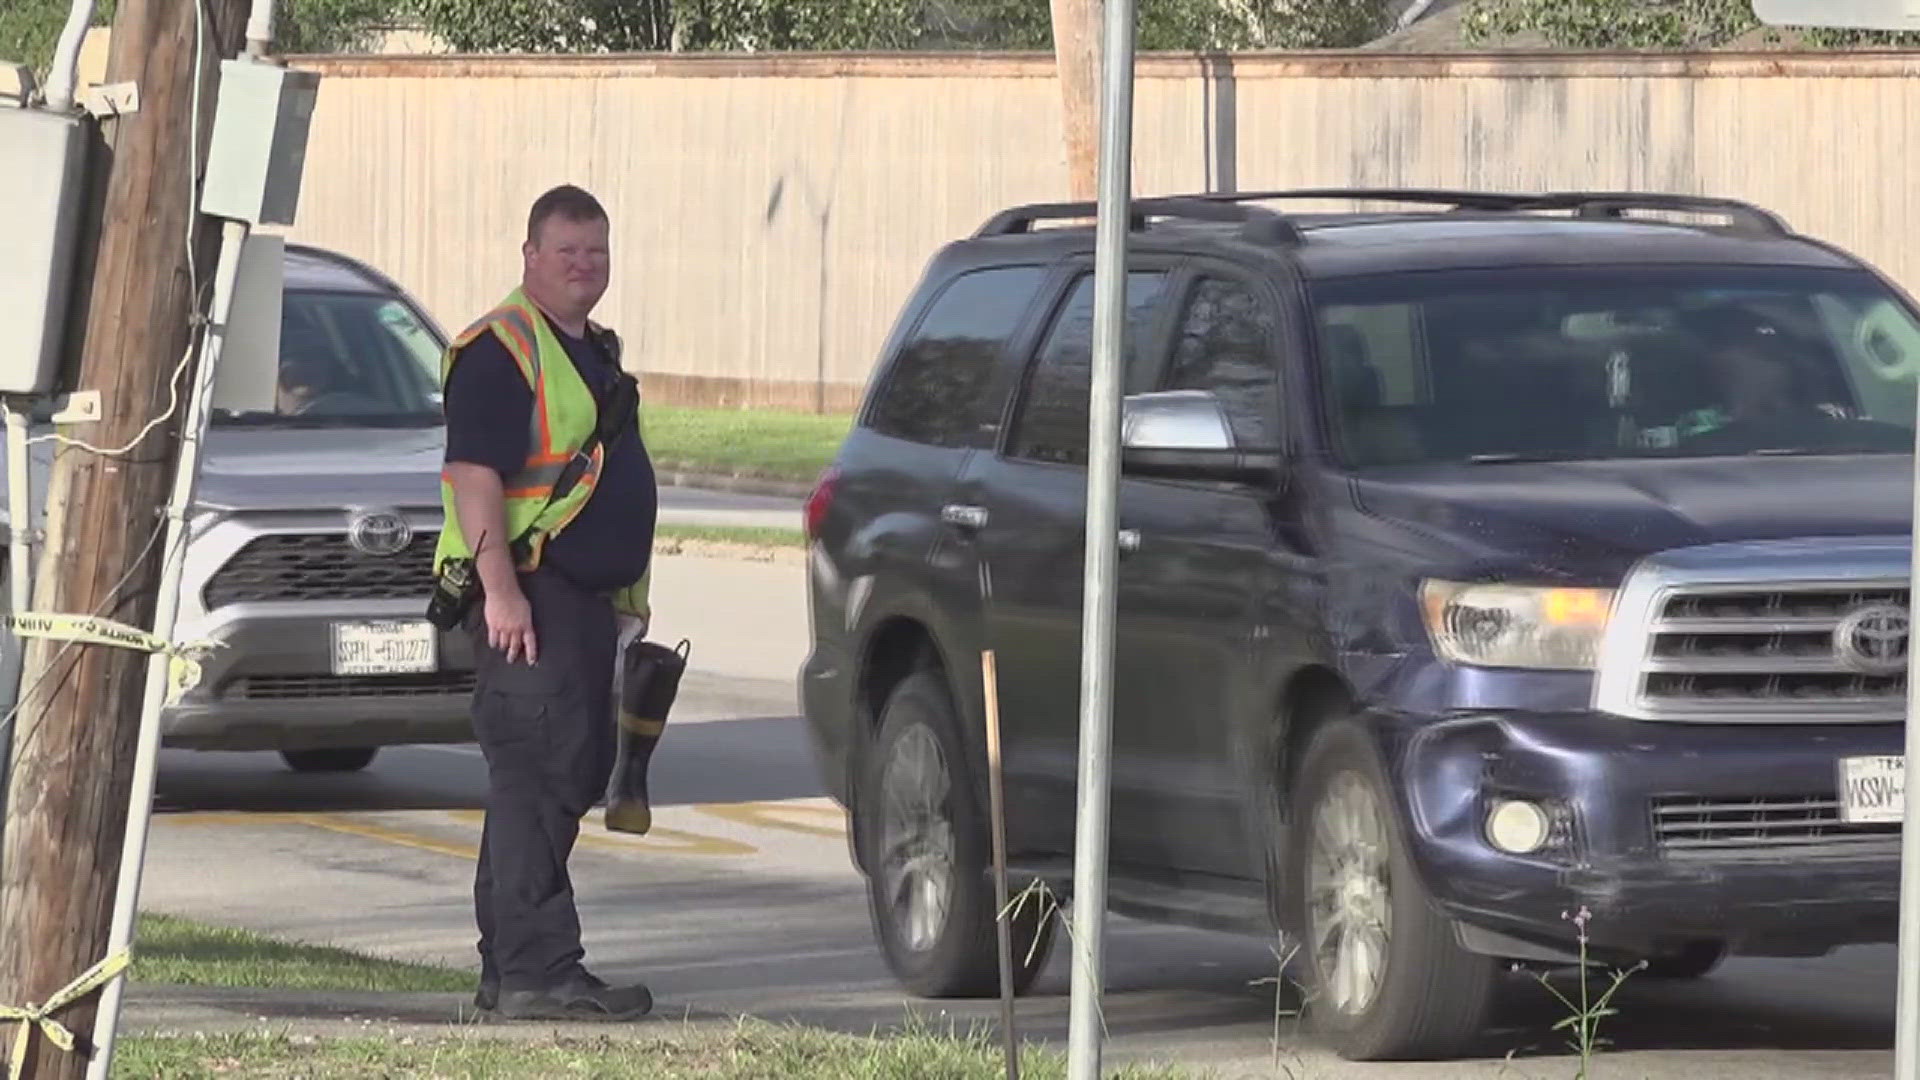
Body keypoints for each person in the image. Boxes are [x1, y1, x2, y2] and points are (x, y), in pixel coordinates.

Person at [434, 184, 658, 1021]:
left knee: (552, 775)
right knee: (539, 776)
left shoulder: (592, 350)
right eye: (566, 250)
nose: (583, 264)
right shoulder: (501, 349)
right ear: (529, 255)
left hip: (580, 605)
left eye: (596, 250)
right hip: (528, 596)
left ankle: (512, 967)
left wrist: (625, 605)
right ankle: (539, 972)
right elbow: (473, 479)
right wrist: (500, 592)